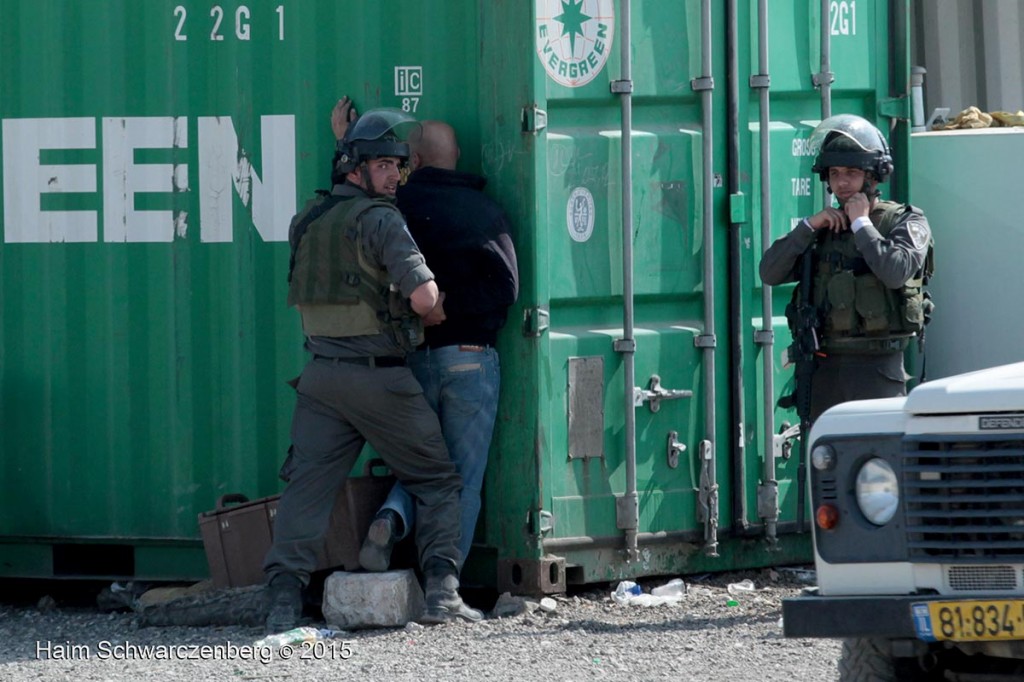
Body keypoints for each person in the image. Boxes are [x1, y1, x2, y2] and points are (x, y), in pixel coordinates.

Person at [262, 108, 482, 633]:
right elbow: (425, 296)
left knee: (307, 491)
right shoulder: (382, 219)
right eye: (382, 165)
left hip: (320, 377)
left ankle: (281, 602)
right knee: (435, 477)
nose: (394, 176)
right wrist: (434, 308)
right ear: (355, 169)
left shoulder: (308, 220)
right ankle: (442, 593)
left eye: (397, 165)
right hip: (379, 377)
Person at [330, 98, 519, 574]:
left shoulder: (391, 209)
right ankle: (445, 579)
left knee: (423, 467)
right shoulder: (482, 211)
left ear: (411, 162)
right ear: (455, 157)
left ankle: (392, 516)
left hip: (411, 359)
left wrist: (344, 143)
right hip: (471, 358)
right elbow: (506, 286)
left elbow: (345, 214)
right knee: (462, 477)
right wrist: (451, 305)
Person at [760, 114, 933, 423]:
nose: (841, 182)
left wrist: (862, 223)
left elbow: (895, 271)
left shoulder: (904, 221)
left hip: (877, 368)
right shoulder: (823, 227)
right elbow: (770, 272)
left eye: (852, 173)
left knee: (879, 460)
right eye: (835, 173)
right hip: (823, 368)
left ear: (875, 176)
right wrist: (808, 226)